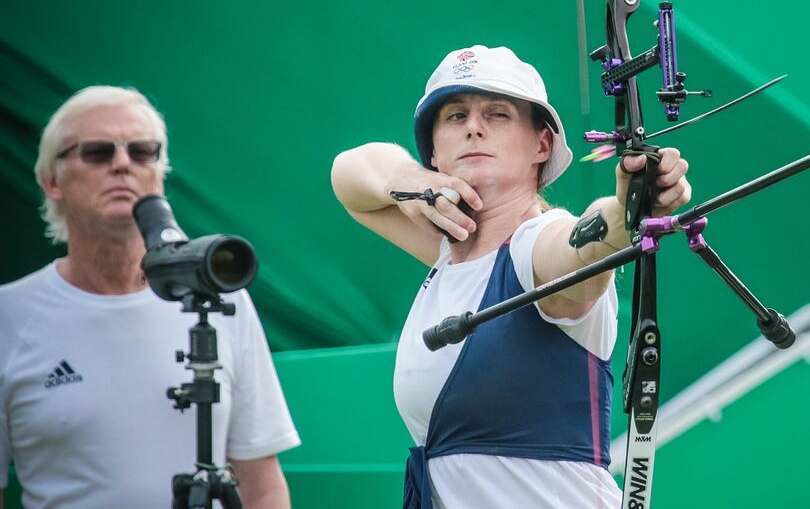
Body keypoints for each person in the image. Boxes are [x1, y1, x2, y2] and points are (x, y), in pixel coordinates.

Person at [330, 45, 692, 509]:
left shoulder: (534, 246)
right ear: (435, 152)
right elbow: (349, 177)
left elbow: (584, 244)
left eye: (497, 115)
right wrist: (413, 184)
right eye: (456, 116)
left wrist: (629, 210)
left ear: (541, 145)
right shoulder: (449, 251)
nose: (474, 126)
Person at [0, 86, 301, 509]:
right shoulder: (8, 316)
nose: (123, 164)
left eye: (142, 151)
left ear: (160, 173)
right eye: (97, 152)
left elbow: (262, 484)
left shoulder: (216, 293)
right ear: (52, 180)